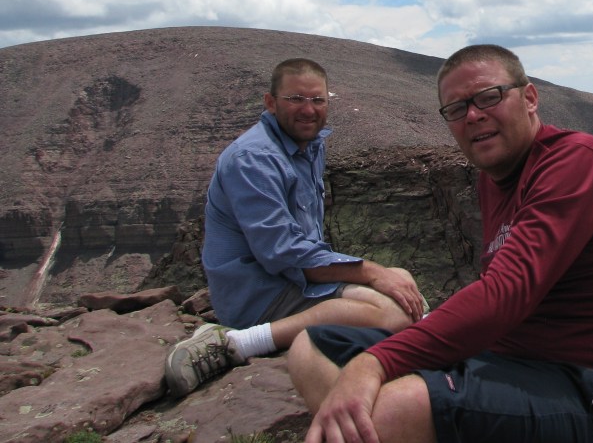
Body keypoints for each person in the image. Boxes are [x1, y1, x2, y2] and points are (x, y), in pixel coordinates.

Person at [287, 44, 593, 443]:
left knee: (394, 407)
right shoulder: (495, 179)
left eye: (489, 97)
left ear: (529, 98)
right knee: (311, 349)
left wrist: (376, 363)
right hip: (511, 363)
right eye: (456, 109)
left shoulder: (576, 162)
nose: (473, 115)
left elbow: (505, 295)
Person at [164, 58, 427, 397]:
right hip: (258, 292)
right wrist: (372, 274)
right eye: (295, 99)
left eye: (317, 100)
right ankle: (235, 343)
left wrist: (379, 276)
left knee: (402, 279)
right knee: (392, 311)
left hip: (292, 281)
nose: (308, 110)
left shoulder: (309, 146)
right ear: (270, 102)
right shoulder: (254, 159)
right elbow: (282, 252)